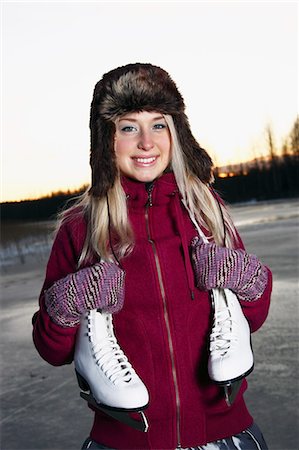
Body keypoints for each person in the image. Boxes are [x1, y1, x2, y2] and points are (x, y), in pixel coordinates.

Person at [32, 63, 272, 450]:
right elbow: (52, 349)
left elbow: (254, 318)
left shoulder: (206, 212)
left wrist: (247, 279)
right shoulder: (81, 227)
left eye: (158, 124)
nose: (147, 142)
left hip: (225, 435)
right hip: (127, 441)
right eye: (129, 127)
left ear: (176, 134)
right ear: (106, 139)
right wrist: (67, 303)